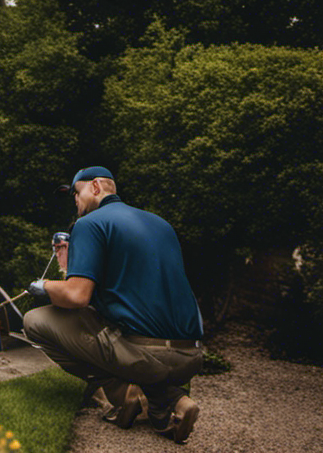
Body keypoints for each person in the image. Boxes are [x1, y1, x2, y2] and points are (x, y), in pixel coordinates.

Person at [23, 167, 204, 444]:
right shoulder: (160, 224)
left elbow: (76, 296)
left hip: (145, 356)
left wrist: (43, 286)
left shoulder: (90, 224)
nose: (75, 201)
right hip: (191, 355)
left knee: (35, 321)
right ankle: (169, 404)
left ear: (96, 187)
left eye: (77, 192)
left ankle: (123, 394)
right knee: (105, 324)